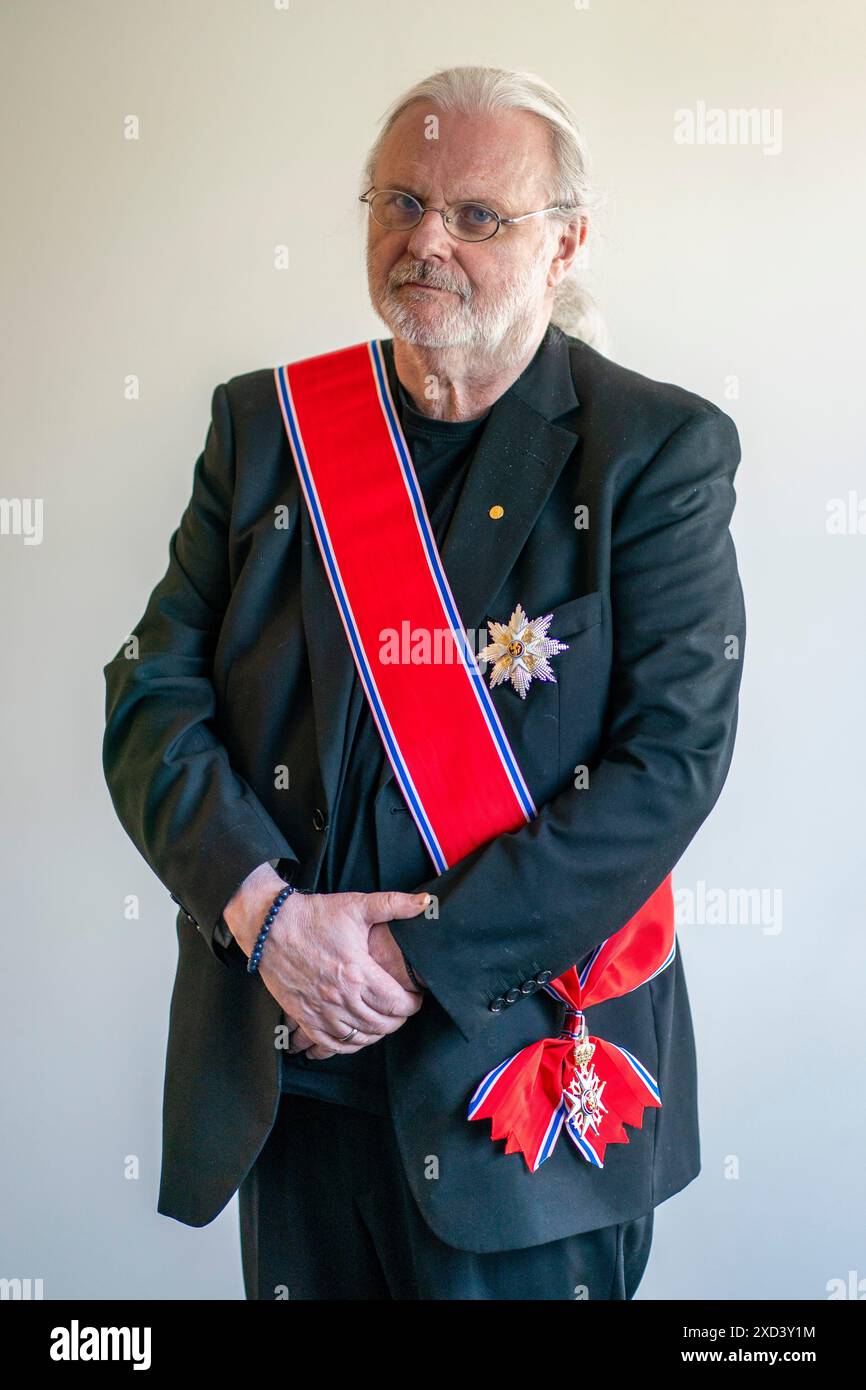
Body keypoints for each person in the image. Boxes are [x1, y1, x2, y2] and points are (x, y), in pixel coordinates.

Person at [102, 65, 745, 1300]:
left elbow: (666, 768)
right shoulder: (265, 430)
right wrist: (266, 917)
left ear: (565, 243)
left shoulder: (654, 451)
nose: (424, 240)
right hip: (290, 1076)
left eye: (475, 215)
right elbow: (149, 697)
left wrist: (403, 964)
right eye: (397, 201)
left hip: (519, 1097)